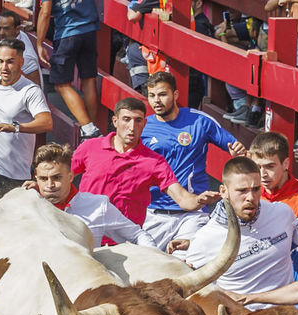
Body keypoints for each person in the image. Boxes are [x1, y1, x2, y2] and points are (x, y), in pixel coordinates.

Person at [173, 157, 298, 300]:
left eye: (256, 189)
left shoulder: (281, 213)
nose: (251, 198)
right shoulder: (205, 240)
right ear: (224, 191)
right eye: (242, 191)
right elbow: (188, 290)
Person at [72, 97, 217, 230]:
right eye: (126, 119)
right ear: (115, 121)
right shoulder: (89, 147)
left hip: (126, 243)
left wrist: (199, 200)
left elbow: (183, 199)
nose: (132, 126)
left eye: (138, 120)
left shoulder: (155, 162)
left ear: (144, 123)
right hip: (86, 234)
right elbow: (63, 176)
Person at [139, 71, 244, 249]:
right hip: (153, 212)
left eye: (162, 94)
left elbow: (236, 148)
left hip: (193, 213)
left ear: (175, 94)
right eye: (152, 95)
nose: (156, 100)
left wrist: (238, 151)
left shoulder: (200, 121)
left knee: (187, 265)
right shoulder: (142, 126)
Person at [36, 0, 119, 140]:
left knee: (61, 83)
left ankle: (88, 128)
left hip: (66, 34)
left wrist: (39, 42)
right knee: (88, 80)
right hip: (89, 32)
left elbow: (45, 12)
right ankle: (92, 129)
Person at [0, 37, 52, 207]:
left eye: (10, 62)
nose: (4, 67)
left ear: (21, 62)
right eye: (0, 61)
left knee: (10, 230)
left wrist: (15, 128)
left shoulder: (30, 91)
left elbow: (46, 122)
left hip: (14, 175)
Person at [30, 141, 156, 246]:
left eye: (57, 178)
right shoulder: (27, 207)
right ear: (36, 178)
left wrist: (155, 258)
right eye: (43, 179)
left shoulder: (97, 206)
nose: (50, 185)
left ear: (70, 176)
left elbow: (137, 235)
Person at [250, 131, 298, 217]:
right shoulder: (249, 196)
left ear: (286, 164)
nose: (262, 174)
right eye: (258, 167)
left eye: (270, 166)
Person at [0, 13, 41, 85]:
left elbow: (36, 85)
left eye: (6, 29)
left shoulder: (26, 56)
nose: (1, 33)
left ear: (17, 29)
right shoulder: (17, 35)